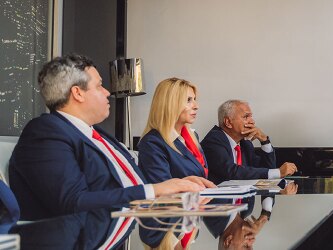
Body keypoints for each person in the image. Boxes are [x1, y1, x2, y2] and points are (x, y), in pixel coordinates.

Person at [8, 54, 212, 249]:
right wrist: (154, 191)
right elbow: (72, 202)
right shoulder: (45, 132)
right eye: (99, 85)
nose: (107, 92)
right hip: (82, 237)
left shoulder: (96, 133)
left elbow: (128, 184)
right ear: (77, 93)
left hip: (123, 226)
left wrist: (172, 188)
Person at [137, 77, 211, 248]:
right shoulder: (152, 143)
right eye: (188, 100)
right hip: (164, 225)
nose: (196, 105)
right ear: (170, 104)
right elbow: (163, 190)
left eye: (194, 99)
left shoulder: (190, 138)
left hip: (189, 216)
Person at [201, 100, 298, 184]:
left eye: (251, 117)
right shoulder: (213, 140)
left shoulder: (244, 142)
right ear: (228, 122)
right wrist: (278, 172)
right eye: (246, 117)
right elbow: (231, 171)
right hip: (221, 203)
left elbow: (265, 169)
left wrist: (264, 140)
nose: (252, 122)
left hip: (242, 201)